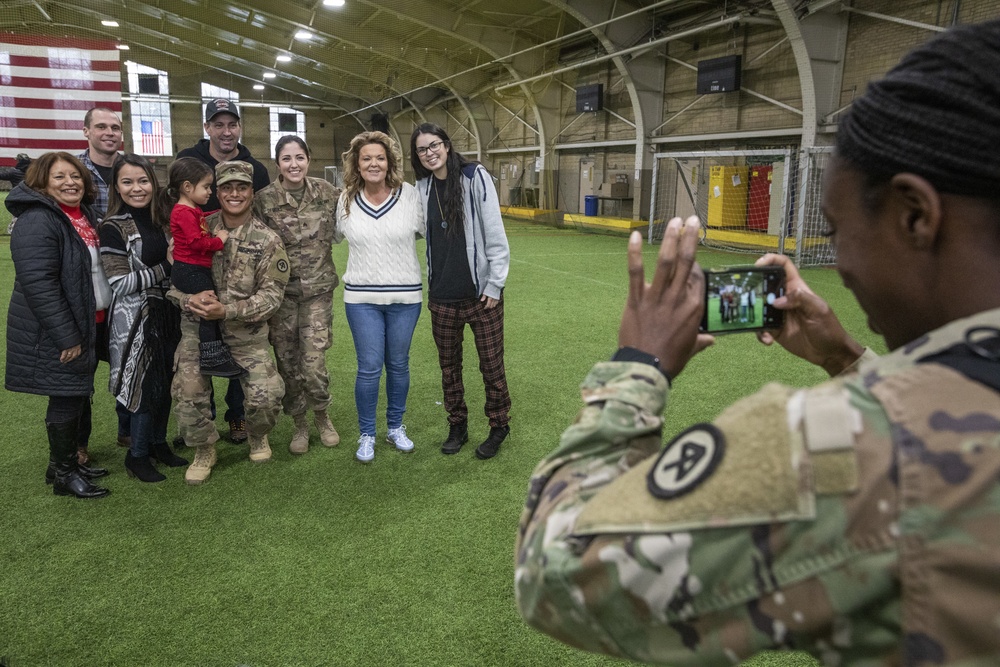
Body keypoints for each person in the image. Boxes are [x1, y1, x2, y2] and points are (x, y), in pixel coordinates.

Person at [515, 19, 1000, 666]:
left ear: (916, 214)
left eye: (836, 229)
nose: (842, 263)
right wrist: (845, 358)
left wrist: (637, 367)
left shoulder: (861, 446)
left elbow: (557, 572)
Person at [170, 161, 289, 485]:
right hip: (197, 332)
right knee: (188, 391)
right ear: (216, 192)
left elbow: (272, 296)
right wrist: (185, 300)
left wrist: (228, 311)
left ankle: (257, 436)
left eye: (242, 187)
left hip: (246, 335)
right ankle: (204, 450)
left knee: (266, 395)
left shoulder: (267, 239)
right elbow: (173, 281)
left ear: (251, 192)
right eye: (226, 187)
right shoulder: (197, 226)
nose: (234, 194)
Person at [5, 152, 112, 499]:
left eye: (76, 176)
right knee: (66, 397)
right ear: (41, 182)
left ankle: (64, 464)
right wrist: (67, 335)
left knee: (79, 393)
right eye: (60, 177)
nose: (70, 183)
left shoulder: (83, 215)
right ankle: (65, 474)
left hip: (89, 321)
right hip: (62, 329)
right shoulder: (39, 219)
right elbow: (40, 284)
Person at [410, 124, 512, 459]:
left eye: (434, 145)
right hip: (442, 299)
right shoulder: (422, 187)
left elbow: (494, 232)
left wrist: (495, 284)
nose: (429, 153)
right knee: (449, 368)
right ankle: (458, 425)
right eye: (422, 149)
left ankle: (498, 425)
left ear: (447, 146)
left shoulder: (473, 176)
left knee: (491, 366)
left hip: (481, 297)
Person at [176, 99, 270, 444]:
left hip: (241, 263)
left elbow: (262, 212)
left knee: (238, 352)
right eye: (219, 124)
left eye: (232, 124)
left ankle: (237, 418)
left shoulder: (255, 168)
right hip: (200, 265)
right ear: (207, 128)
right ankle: (204, 426)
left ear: (239, 127)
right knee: (200, 350)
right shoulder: (189, 159)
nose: (226, 131)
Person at [337, 131, 425, 463]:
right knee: (370, 367)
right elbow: (331, 237)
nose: (374, 163)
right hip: (360, 299)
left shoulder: (411, 196)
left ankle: (395, 427)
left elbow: (426, 233)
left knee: (399, 365)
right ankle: (366, 434)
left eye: (380, 157)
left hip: (406, 298)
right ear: (356, 164)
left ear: (389, 162)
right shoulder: (344, 199)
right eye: (366, 158)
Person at [100, 154, 188, 482]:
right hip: (137, 319)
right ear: (117, 187)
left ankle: (157, 444)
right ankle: (136, 455)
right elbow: (120, 283)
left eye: (143, 180)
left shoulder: (162, 220)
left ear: (153, 182)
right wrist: (166, 266)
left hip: (168, 313)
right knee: (142, 388)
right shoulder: (112, 227)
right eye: (128, 182)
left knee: (165, 384)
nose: (137, 188)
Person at [254, 136, 342, 454]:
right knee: (289, 364)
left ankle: (322, 416)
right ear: (277, 163)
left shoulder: (327, 192)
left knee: (314, 363)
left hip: (318, 293)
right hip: (282, 296)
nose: (294, 164)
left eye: (300, 157)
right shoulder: (263, 200)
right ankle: (300, 425)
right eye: (287, 158)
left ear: (309, 159)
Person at [79, 106, 133, 451]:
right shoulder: (73, 171)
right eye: (101, 126)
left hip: (124, 285)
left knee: (127, 359)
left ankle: (128, 430)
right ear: (87, 131)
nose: (109, 132)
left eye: (115, 127)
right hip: (85, 286)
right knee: (79, 373)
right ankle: (77, 445)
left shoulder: (131, 169)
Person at [163, 157, 245, 378]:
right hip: (190, 270)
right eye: (206, 186)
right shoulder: (183, 212)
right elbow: (196, 242)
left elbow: (200, 219)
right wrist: (219, 240)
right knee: (209, 307)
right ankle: (211, 356)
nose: (210, 192)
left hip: (192, 268)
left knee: (209, 305)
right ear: (187, 187)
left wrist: (218, 214)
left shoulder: (192, 210)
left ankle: (214, 352)